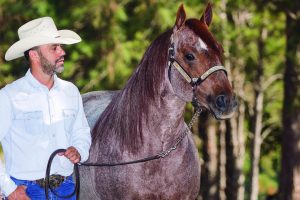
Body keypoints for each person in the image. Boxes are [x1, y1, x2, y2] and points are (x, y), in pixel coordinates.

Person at [0, 17, 91, 200]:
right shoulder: (9, 96)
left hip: (66, 189)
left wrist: (79, 149)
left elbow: (82, 132)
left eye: (60, 47)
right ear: (34, 55)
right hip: (26, 192)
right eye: (54, 48)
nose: (62, 52)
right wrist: (9, 189)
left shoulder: (70, 91)